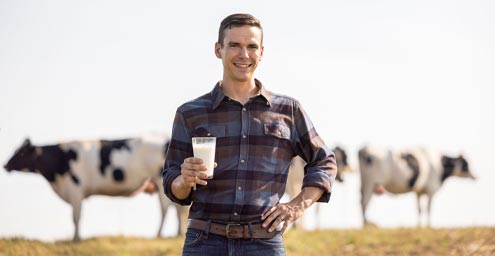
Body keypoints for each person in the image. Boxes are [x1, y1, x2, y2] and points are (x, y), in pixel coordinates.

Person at [162, 13, 337, 256]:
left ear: (261, 52)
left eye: (252, 46)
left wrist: (296, 207)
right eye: (234, 45)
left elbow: (325, 161)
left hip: (264, 243)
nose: (244, 55)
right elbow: (173, 184)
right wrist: (183, 180)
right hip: (204, 242)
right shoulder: (190, 113)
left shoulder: (288, 110)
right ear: (218, 49)